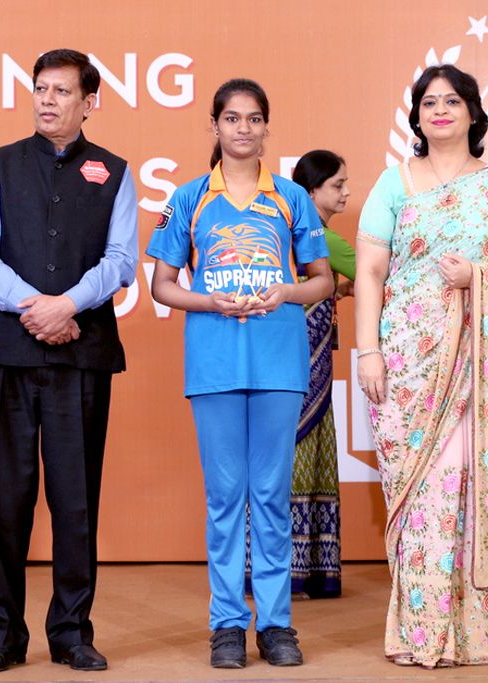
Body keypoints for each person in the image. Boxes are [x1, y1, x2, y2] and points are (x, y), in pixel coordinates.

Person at [354, 64, 488, 668]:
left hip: (483, 364)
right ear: (417, 118)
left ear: (473, 112)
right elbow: (369, 273)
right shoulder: (393, 183)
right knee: (421, 492)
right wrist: (369, 352)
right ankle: (421, 630)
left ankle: (481, 634)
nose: (440, 110)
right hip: (408, 360)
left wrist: (479, 276)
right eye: (429, 102)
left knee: (473, 485)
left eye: (451, 101)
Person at [0, 48, 138, 674]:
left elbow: (121, 260)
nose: (47, 100)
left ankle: (71, 633)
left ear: (90, 102)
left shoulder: (115, 171)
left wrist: (69, 305)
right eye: (40, 89)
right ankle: (1, 636)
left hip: (81, 354)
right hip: (6, 352)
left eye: (62, 91)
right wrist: (33, 305)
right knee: (1, 501)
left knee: (76, 501)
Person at [147, 78, 332, 669]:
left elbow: (323, 280)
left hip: (279, 361)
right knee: (226, 497)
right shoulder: (188, 198)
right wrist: (211, 302)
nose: (243, 128)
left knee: (271, 496)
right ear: (215, 126)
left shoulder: (291, 198)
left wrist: (286, 292)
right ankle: (227, 624)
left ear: (265, 126)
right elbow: (162, 285)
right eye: (232, 118)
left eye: (254, 118)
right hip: (215, 364)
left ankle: (276, 625)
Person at [285, 150, 355, 598]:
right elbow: (382, 272)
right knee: (302, 460)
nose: (345, 192)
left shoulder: (288, 233)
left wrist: (337, 290)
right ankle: (305, 570)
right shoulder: (324, 238)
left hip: (290, 365)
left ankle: (281, 571)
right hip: (303, 369)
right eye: (337, 185)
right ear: (311, 192)